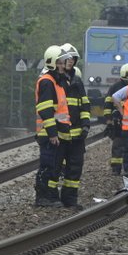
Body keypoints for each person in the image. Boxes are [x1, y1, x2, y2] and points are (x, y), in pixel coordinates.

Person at [33, 44, 69, 208]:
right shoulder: (47, 82)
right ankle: (42, 197)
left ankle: (50, 196)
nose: (63, 65)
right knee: (47, 165)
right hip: (48, 134)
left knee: (53, 165)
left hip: (53, 132)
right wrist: (53, 133)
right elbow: (45, 110)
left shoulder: (56, 81)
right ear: (52, 63)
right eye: (60, 62)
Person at [56, 44, 90, 210]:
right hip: (60, 133)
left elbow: (84, 105)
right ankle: (51, 198)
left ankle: (70, 200)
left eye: (72, 59)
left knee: (75, 168)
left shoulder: (77, 81)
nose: (69, 61)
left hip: (76, 135)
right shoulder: (55, 80)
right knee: (55, 168)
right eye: (66, 59)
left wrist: (85, 126)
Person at [104, 63, 128, 180]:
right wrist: (108, 120)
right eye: (125, 80)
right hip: (118, 121)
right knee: (117, 145)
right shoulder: (115, 87)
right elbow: (108, 104)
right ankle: (116, 169)